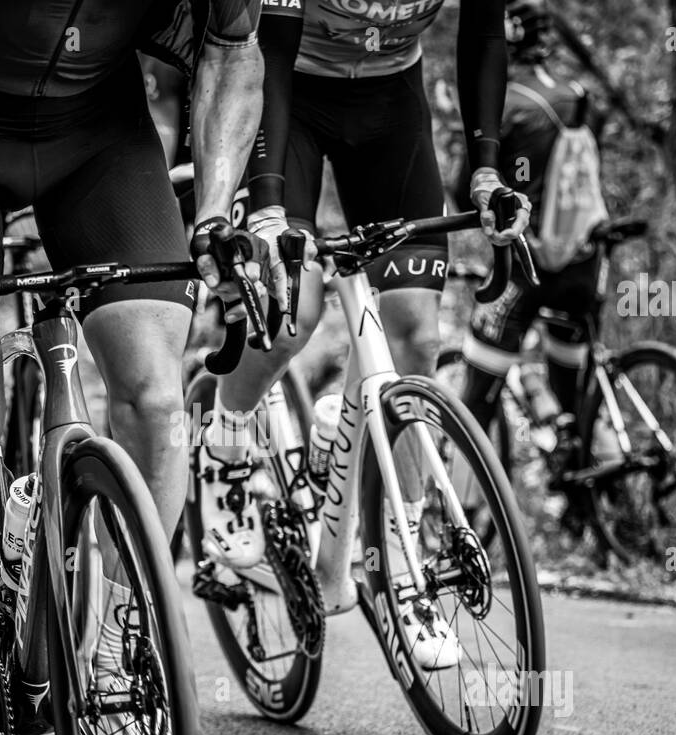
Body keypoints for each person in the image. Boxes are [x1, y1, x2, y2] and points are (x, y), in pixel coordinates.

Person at [0, 0, 267, 735]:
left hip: (98, 135)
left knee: (156, 401)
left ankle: (120, 647)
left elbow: (233, 49)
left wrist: (216, 211)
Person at [192, 0, 528, 668]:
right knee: (292, 313)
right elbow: (272, 55)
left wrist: (487, 170)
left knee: (414, 334)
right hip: (289, 94)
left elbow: (485, 31)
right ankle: (225, 440)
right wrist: (267, 213)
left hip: (391, 101)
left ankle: (402, 567)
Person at [456, 0, 607, 523]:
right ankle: (583, 509)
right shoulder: (580, 97)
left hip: (526, 263)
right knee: (574, 389)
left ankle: (459, 520)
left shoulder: (505, 104)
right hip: (586, 262)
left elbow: (463, 192)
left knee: (476, 388)